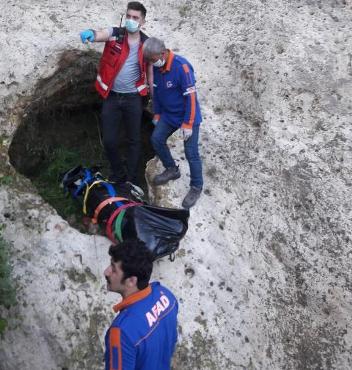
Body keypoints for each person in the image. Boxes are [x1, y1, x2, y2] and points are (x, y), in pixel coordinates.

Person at [80, 2, 151, 187]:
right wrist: (91, 33)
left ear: (143, 21)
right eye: (128, 16)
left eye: (135, 18)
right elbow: (101, 33)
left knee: (134, 140)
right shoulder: (116, 34)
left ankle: (132, 180)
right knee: (110, 141)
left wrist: (154, 97)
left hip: (133, 98)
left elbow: (151, 70)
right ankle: (118, 174)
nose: (131, 20)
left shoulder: (146, 44)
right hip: (112, 96)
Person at [142, 37, 203, 209]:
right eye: (149, 61)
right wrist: (158, 114)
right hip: (169, 115)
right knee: (156, 139)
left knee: (191, 152)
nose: (151, 64)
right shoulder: (158, 67)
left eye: (153, 60)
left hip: (187, 115)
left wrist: (189, 123)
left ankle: (196, 186)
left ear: (162, 53)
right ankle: (171, 169)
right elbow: (158, 93)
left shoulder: (181, 67)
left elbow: (191, 97)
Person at [104, 239, 178, 370]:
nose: (106, 272)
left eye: (114, 269)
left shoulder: (121, 332)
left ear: (131, 281)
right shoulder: (167, 297)